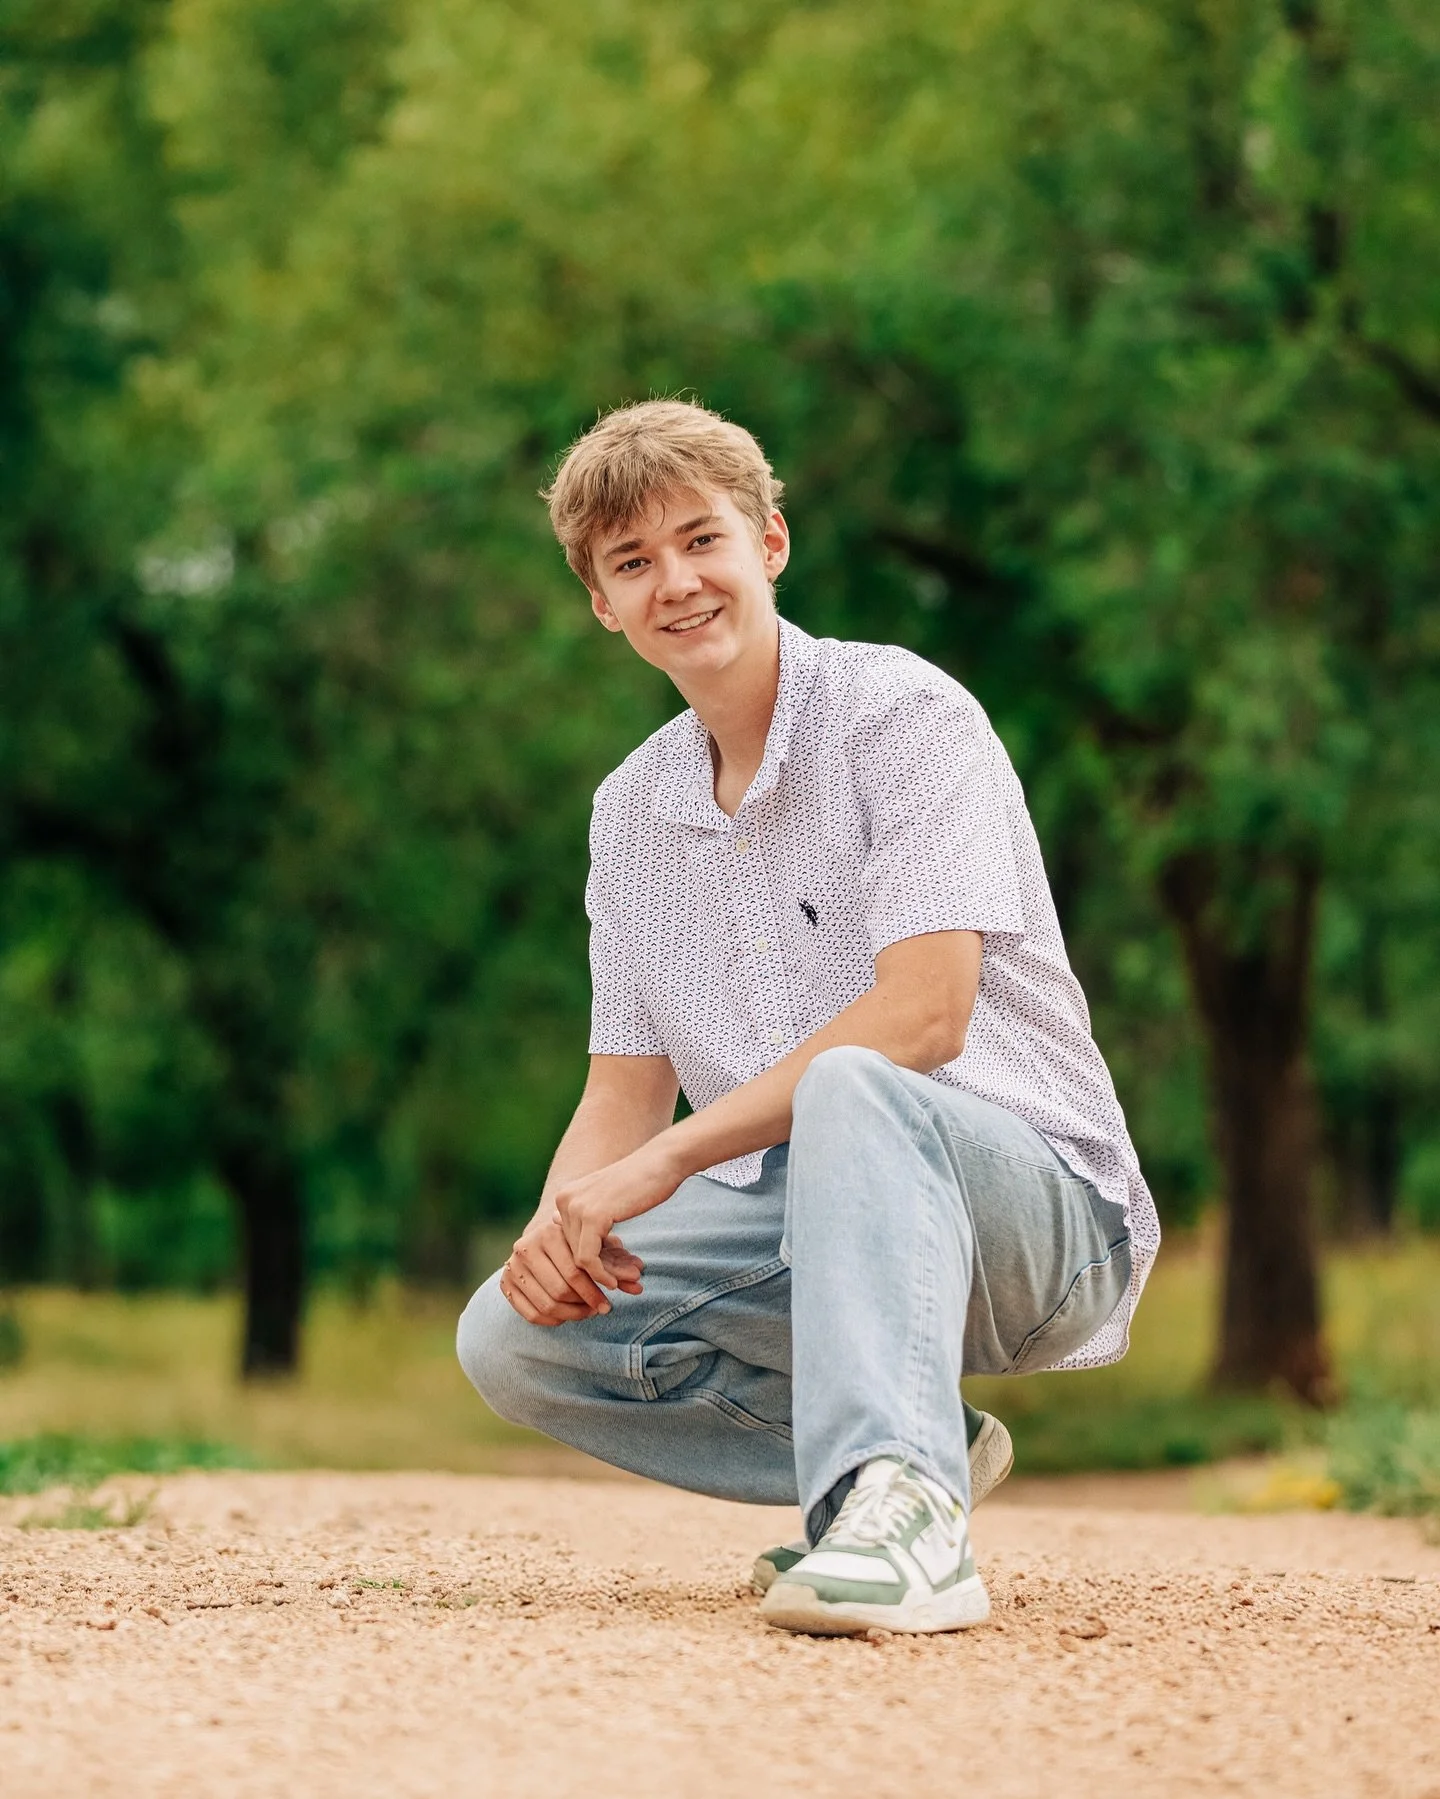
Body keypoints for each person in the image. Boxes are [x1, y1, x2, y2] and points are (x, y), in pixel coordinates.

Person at [457, 398, 1159, 1637]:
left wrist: (671, 1159)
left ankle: (907, 1527)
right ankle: (907, 1456)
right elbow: (623, 1093)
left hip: (1042, 1222)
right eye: (633, 563)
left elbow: (927, 1018)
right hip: (818, 1231)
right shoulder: (631, 816)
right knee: (513, 1338)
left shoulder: (902, 716)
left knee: (856, 1086)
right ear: (602, 605)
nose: (675, 581)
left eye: (700, 539)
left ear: (770, 543)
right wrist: (562, 1229)